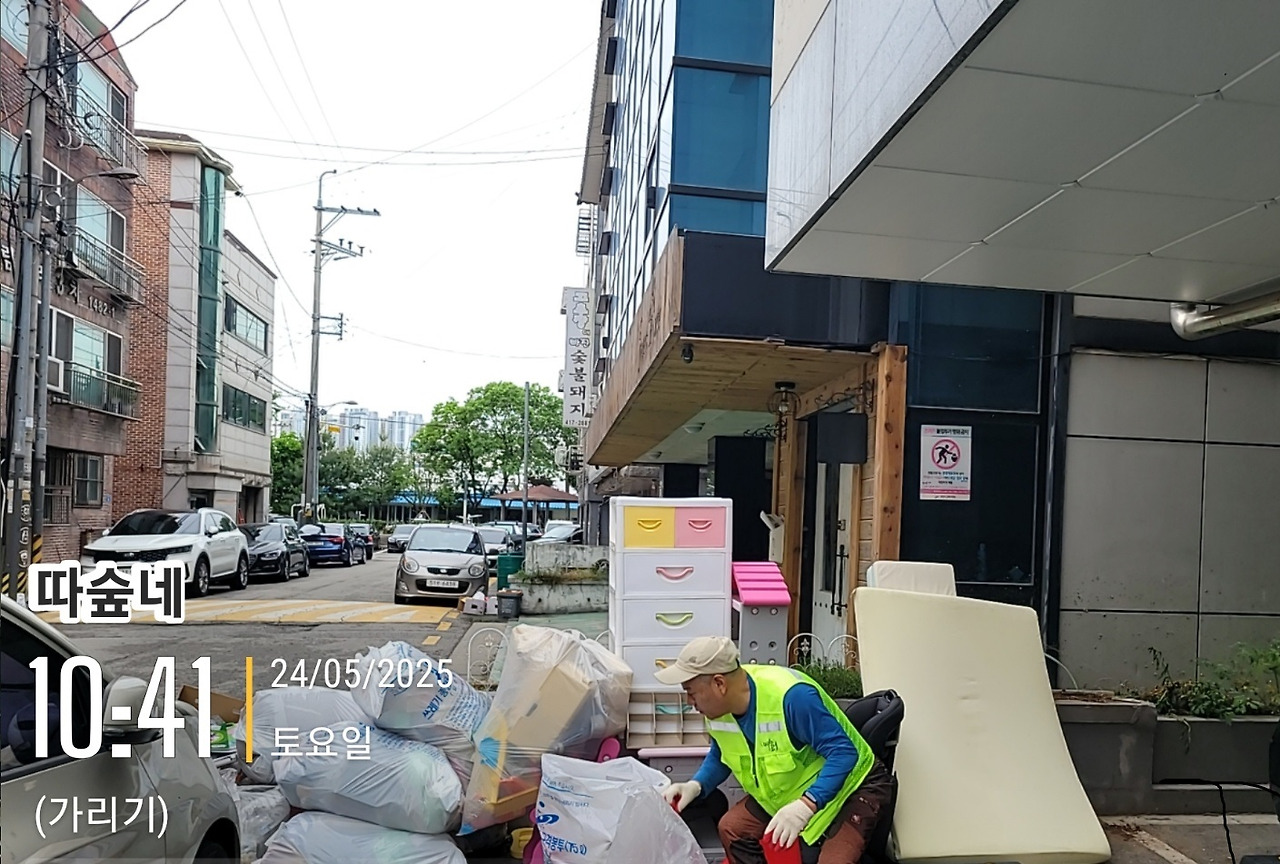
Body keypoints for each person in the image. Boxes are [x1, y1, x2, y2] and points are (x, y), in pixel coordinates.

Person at [655, 636, 893, 864]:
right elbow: (721, 754)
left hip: (855, 785)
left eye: (691, 692)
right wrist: (696, 785)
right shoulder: (719, 709)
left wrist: (806, 805)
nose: (689, 702)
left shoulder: (792, 697)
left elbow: (844, 753)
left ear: (719, 683)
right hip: (793, 789)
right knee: (733, 828)